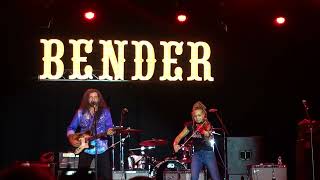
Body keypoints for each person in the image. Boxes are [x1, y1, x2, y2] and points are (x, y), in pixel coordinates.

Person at [67, 88, 115, 180]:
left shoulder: (105, 112)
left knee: (106, 176)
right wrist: (71, 137)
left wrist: (110, 130)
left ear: (99, 99)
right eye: (91, 97)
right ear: (87, 99)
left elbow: (109, 126)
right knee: (81, 176)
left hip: (102, 148)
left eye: (95, 97)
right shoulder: (80, 112)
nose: (93, 99)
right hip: (85, 148)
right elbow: (71, 128)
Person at [173, 101, 221, 180]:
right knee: (194, 178)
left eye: (199, 115)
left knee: (216, 178)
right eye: (195, 116)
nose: (197, 118)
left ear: (203, 115)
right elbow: (178, 137)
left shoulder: (207, 124)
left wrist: (204, 131)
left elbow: (208, 135)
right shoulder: (190, 126)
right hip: (196, 155)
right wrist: (175, 144)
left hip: (208, 154)